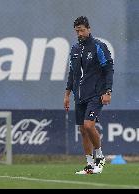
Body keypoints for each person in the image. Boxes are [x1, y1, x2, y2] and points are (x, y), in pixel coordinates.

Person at [64, 16, 114, 174]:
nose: (79, 33)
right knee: (82, 130)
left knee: (88, 125)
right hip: (79, 95)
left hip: (96, 94)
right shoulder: (75, 49)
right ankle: (89, 164)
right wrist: (67, 94)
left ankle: (100, 156)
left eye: (82, 30)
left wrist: (108, 91)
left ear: (89, 29)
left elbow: (109, 69)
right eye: (77, 31)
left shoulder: (99, 46)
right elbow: (72, 73)